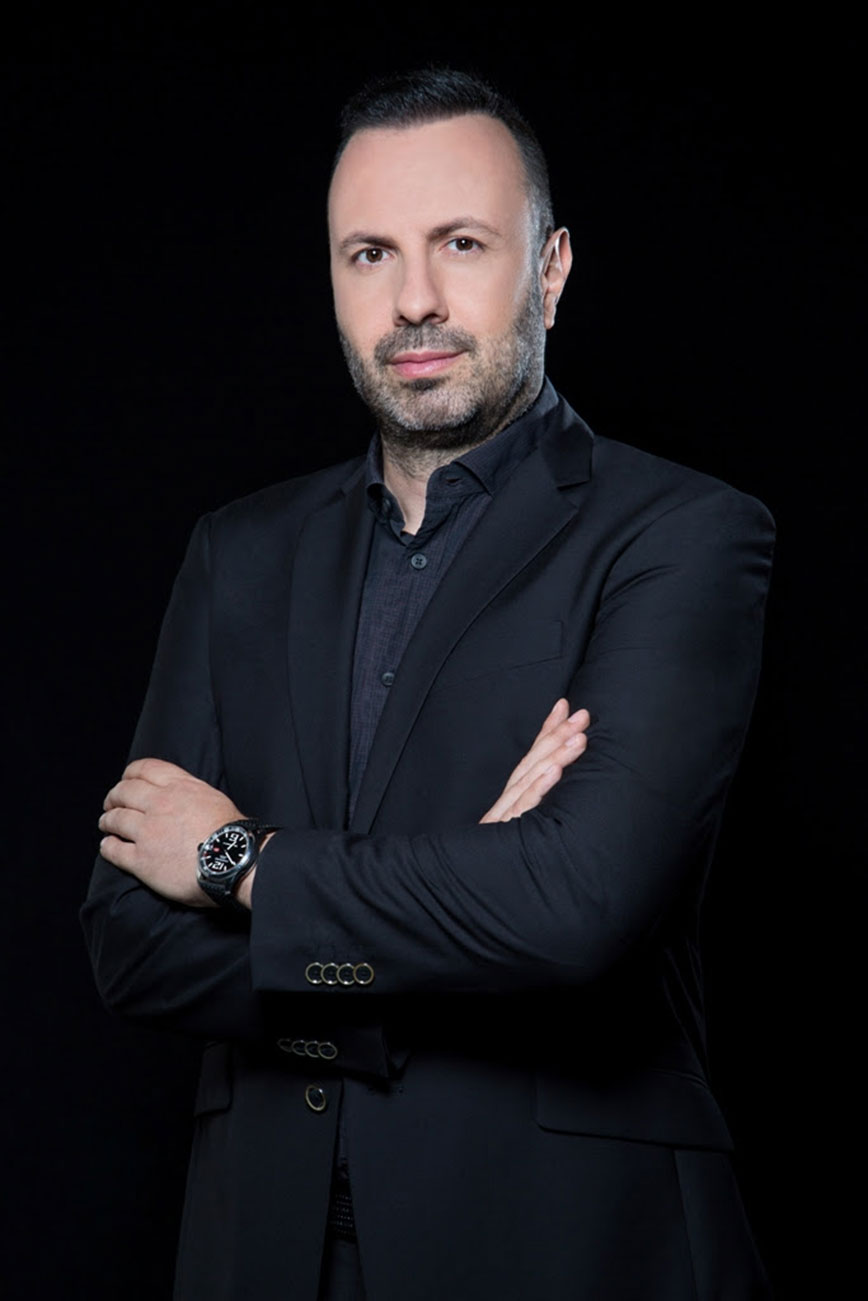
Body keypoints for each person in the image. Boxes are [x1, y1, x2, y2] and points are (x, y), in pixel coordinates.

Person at [82, 68, 774, 1301]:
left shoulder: (680, 533)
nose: (413, 299)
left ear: (549, 268)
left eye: (459, 243)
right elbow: (130, 941)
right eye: (369, 254)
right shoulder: (238, 553)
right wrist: (437, 937)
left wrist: (239, 861)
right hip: (262, 1250)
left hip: (564, 1246)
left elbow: (574, 902)